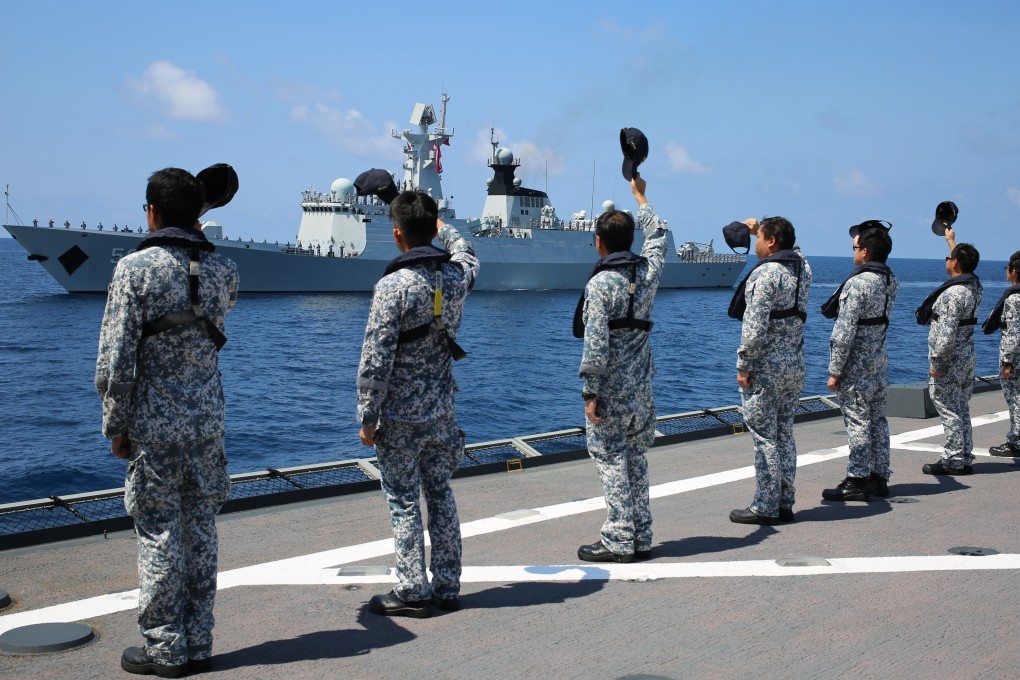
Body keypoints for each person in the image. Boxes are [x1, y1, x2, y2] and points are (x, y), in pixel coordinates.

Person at [96, 167, 239, 677]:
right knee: (201, 529)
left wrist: (116, 424)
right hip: (207, 424)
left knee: (159, 531)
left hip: (155, 428)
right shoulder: (224, 271)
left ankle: (164, 648)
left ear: (152, 212)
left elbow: (116, 361)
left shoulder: (135, 269)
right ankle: (199, 641)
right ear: (199, 214)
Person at [356, 190, 479, 618]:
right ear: (433, 230)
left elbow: (375, 359)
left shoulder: (392, 287)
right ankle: (447, 585)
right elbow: (468, 253)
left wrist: (367, 416)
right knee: (441, 492)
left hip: (400, 415)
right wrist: (444, 227)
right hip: (442, 409)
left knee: (403, 499)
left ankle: (412, 589)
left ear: (396, 235)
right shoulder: (457, 278)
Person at [573, 173, 667, 563]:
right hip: (642, 388)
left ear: (599, 243)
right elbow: (659, 237)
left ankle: (617, 538)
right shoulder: (648, 273)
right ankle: (641, 535)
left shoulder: (600, 285)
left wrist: (590, 394)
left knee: (610, 460)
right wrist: (641, 197)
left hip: (610, 391)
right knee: (635, 459)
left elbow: (595, 343)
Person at [728, 217, 812, 525]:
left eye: (759, 237)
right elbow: (796, 251)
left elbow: (755, 327)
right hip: (794, 364)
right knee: (784, 434)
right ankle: (785, 501)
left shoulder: (765, 274)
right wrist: (762, 228)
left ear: (772, 241)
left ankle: (765, 505)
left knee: (764, 437)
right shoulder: (802, 269)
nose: (756, 242)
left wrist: (745, 365)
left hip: (765, 368)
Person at [821, 224, 899, 501]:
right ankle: (879, 477)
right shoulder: (891, 281)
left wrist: (834, 370)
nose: (854, 252)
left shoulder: (858, 283)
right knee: (878, 421)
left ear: (865, 251)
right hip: (878, 362)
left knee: (857, 422)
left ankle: (856, 479)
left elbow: (843, 333)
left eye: (855, 247)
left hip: (856, 365)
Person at [915, 230, 982, 474]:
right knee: (961, 407)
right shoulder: (974, 287)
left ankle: (953, 460)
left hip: (950, 360)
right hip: (966, 357)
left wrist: (938, 364)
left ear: (955, 263)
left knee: (948, 408)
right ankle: (964, 456)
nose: (946, 260)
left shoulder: (953, 294)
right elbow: (966, 266)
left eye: (948, 257)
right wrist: (950, 240)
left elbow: (945, 334)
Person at [983, 250, 1020, 457]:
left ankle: (1016, 441)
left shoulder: (1014, 299)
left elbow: (1013, 335)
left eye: (1008, 269)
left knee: (1015, 399)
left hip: (1015, 358)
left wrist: (1007, 362)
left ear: (1014, 272)